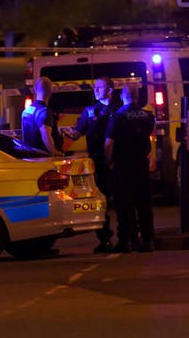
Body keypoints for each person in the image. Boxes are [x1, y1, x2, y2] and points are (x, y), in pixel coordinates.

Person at [65, 77, 119, 253]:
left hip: (117, 162)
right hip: (98, 162)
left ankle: (127, 238)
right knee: (102, 202)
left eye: (99, 87)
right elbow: (77, 134)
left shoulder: (118, 109)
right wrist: (66, 134)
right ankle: (105, 239)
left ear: (110, 90)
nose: (95, 91)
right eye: (94, 87)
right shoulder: (89, 111)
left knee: (122, 201)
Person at [104, 82, 156, 253]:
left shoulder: (118, 116)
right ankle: (148, 241)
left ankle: (130, 240)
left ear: (122, 96)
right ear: (137, 96)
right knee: (144, 204)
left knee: (125, 205)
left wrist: (109, 162)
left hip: (123, 165)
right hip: (141, 164)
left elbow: (109, 144)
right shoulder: (148, 116)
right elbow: (148, 137)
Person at [21, 77, 64, 155]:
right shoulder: (45, 111)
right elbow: (46, 135)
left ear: (35, 90)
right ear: (51, 92)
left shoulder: (26, 111)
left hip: (29, 156)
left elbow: (24, 137)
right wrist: (56, 153)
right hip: (43, 157)